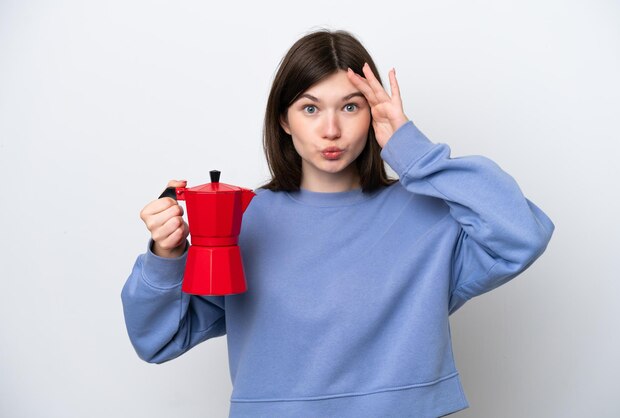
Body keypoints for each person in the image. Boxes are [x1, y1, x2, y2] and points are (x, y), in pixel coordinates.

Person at [121, 28, 555, 417]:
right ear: (283, 121)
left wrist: (414, 152)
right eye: (310, 109)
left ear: (373, 115)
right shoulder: (243, 220)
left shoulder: (429, 216)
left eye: (350, 106)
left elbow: (522, 234)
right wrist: (166, 254)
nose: (331, 129)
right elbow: (158, 340)